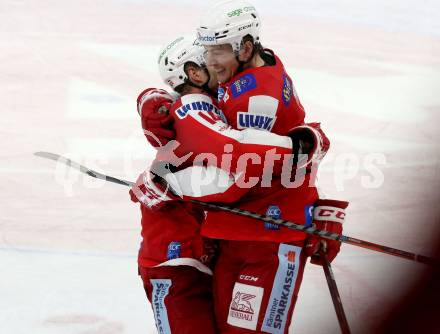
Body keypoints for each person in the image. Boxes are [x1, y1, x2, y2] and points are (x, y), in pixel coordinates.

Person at [137, 1, 349, 333]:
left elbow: (254, 164)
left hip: (248, 242)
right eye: (205, 55)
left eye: (215, 53)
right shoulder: (202, 107)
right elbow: (236, 168)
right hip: (183, 260)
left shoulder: (243, 94)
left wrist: (317, 206)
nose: (211, 61)